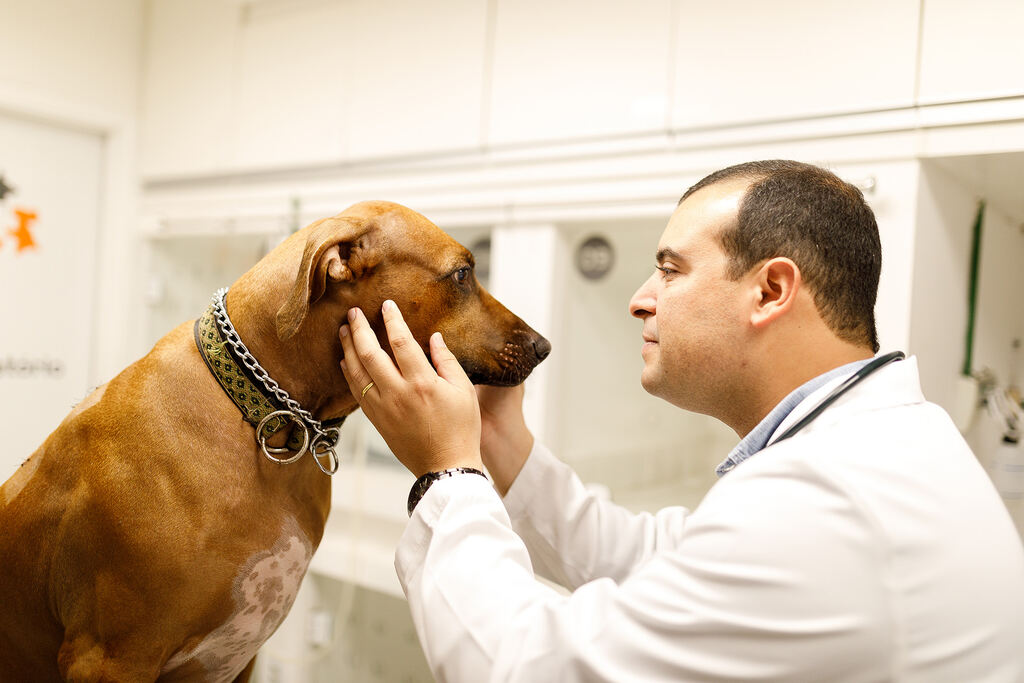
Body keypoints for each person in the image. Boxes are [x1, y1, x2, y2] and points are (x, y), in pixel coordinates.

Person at [337, 160, 1024, 682]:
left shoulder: (832, 503)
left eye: (670, 270)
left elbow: (528, 665)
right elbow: (650, 559)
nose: (640, 300)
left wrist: (449, 473)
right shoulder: (878, 448)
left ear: (771, 290)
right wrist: (499, 443)